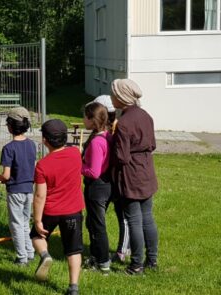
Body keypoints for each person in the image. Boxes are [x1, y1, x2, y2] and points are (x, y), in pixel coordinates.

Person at [30, 119, 84, 295]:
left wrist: (37, 219)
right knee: (73, 249)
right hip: (73, 211)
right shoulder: (76, 154)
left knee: (36, 236)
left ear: (45, 140)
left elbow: (40, 195)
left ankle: (45, 255)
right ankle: (73, 287)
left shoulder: (43, 165)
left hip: (51, 211)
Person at [110, 79, 159, 275]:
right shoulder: (146, 116)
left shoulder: (124, 122)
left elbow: (121, 156)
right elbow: (153, 145)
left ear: (121, 97)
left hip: (131, 174)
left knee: (135, 221)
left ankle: (136, 265)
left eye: (113, 94)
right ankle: (152, 261)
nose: (112, 97)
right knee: (147, 218)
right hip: (147, 170)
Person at [0, 107, 36, 266]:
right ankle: (30, 252)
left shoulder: (8, 148)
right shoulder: (32, 144)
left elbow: (6, 175)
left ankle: (21, 257)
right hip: (29, 190)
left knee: (16, 224)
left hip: (15, 191)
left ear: (10, 126)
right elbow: (33, 166)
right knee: (25, 222)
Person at [93, 95, 130, 263]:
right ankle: (99, 250)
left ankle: (123, 250)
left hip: (116, 179)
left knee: (123, 215)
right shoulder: (100, 132)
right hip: (104, 181)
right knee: (97, 218)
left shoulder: (116, 129)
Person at [81, 102, 112, 274]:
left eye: (85, 116)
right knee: (91, 223)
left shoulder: (96, 142)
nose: (83, 120)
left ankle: (103, 263)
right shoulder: (107, 135)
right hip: (105, 185)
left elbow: (93, 171)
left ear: (92, 119)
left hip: (97, 187)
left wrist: (78, 165)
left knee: (98, 225)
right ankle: (95, 256)